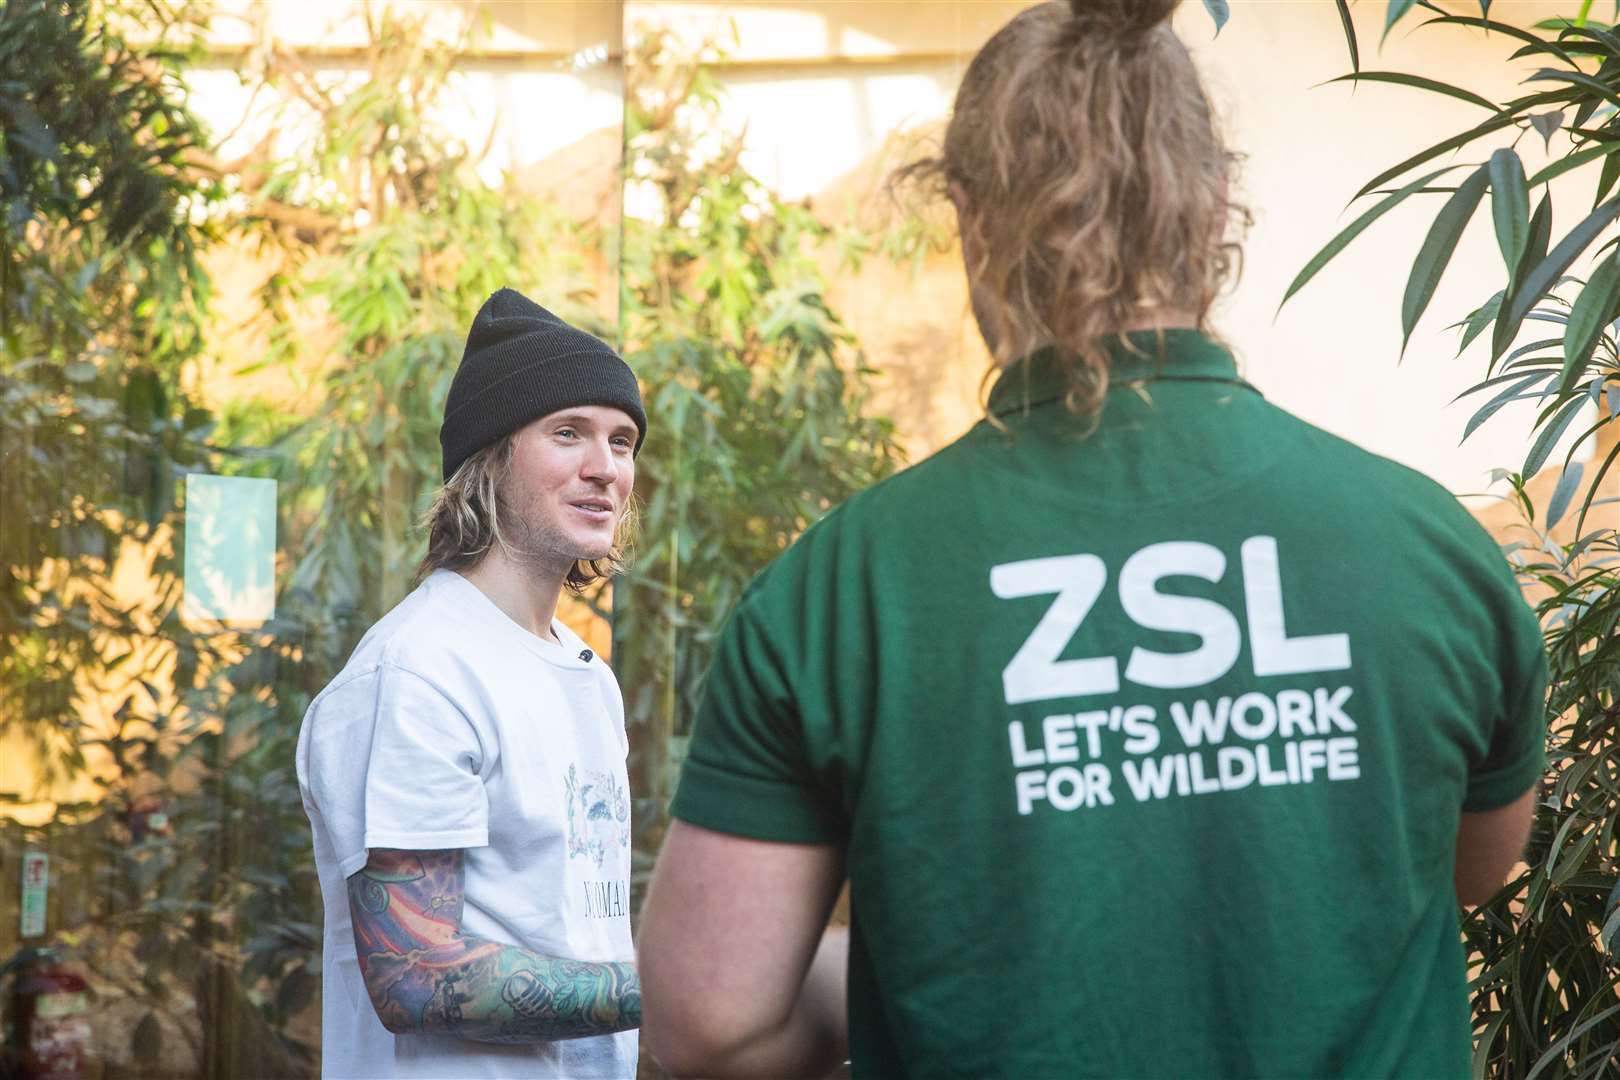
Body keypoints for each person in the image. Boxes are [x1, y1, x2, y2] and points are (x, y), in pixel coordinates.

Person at [636, 1, 1547, 1077]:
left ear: (969, 217)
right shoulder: (1431, 548)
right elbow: (1470, 867)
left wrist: (866, 980)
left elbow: (706, 1023)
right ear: (1214, 203)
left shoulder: (840, 592)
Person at [296, 288, 646, 1079]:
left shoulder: (590, 681)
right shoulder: (417, 670)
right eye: (568, 433)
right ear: (487, 458)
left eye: (622, 441)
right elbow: (415, 976)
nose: (605, 468)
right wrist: (670, 989)